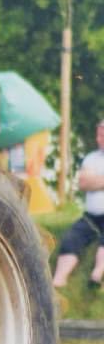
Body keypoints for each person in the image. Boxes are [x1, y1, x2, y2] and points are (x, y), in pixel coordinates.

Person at [53, 119, 104, 289]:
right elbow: (83, 183)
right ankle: (58, 281)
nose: (99, 139)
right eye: (98, 135)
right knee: (71, 239)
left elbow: (90, 181)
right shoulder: (91, 158)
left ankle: (96, 276)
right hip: (90, 217)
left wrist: (95, 180)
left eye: (102, 135)